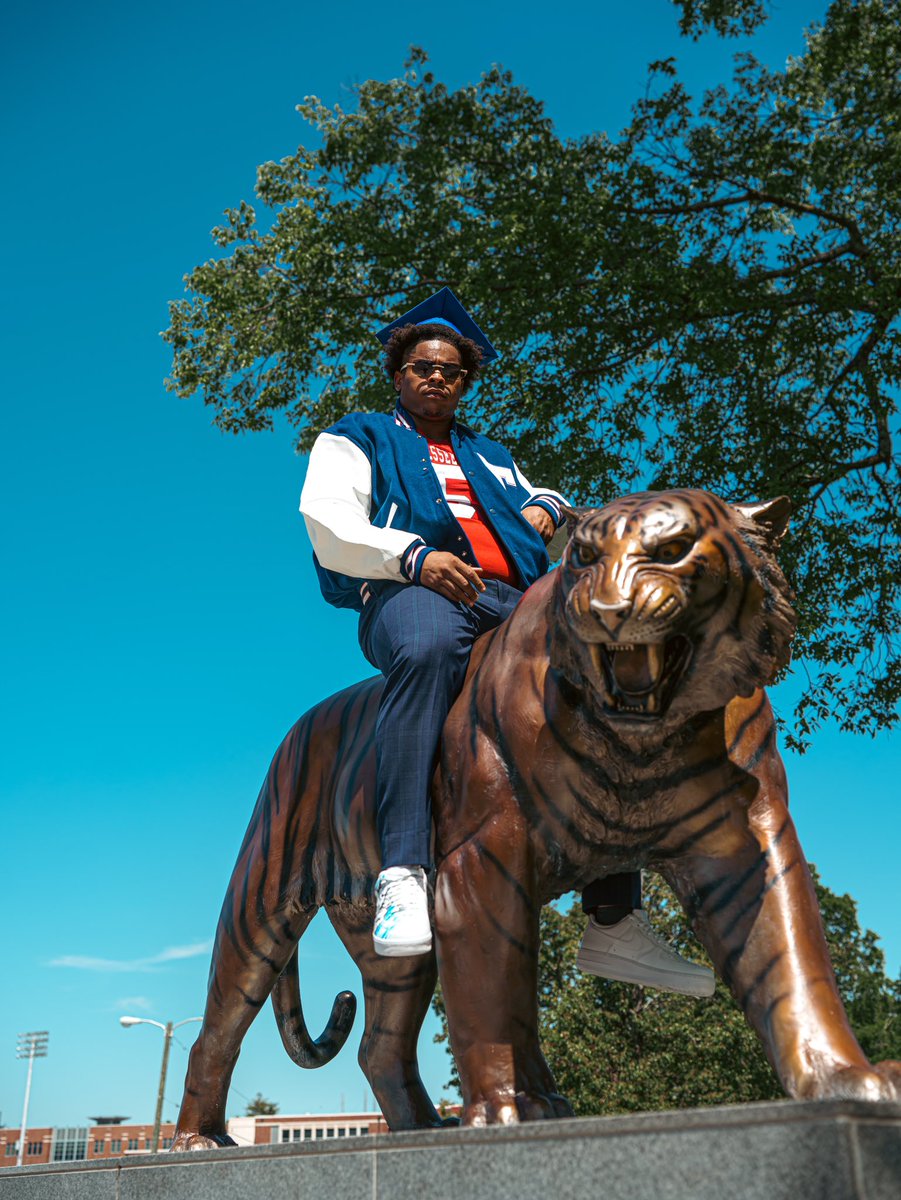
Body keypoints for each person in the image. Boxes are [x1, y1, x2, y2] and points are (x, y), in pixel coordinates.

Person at [300, 288, 713, 997]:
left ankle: (614, 920)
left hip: (512, 601)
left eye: (451, 371)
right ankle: (402, 872)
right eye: (422, 366)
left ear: (465, 382)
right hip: (414, 590)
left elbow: (545, 493)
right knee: (427, 652)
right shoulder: (356, 437)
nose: (436, 378)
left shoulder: (488, 454)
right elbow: (327, 519)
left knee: (606, 677)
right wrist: (414, 557)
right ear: (398, 374)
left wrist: (544, 507)